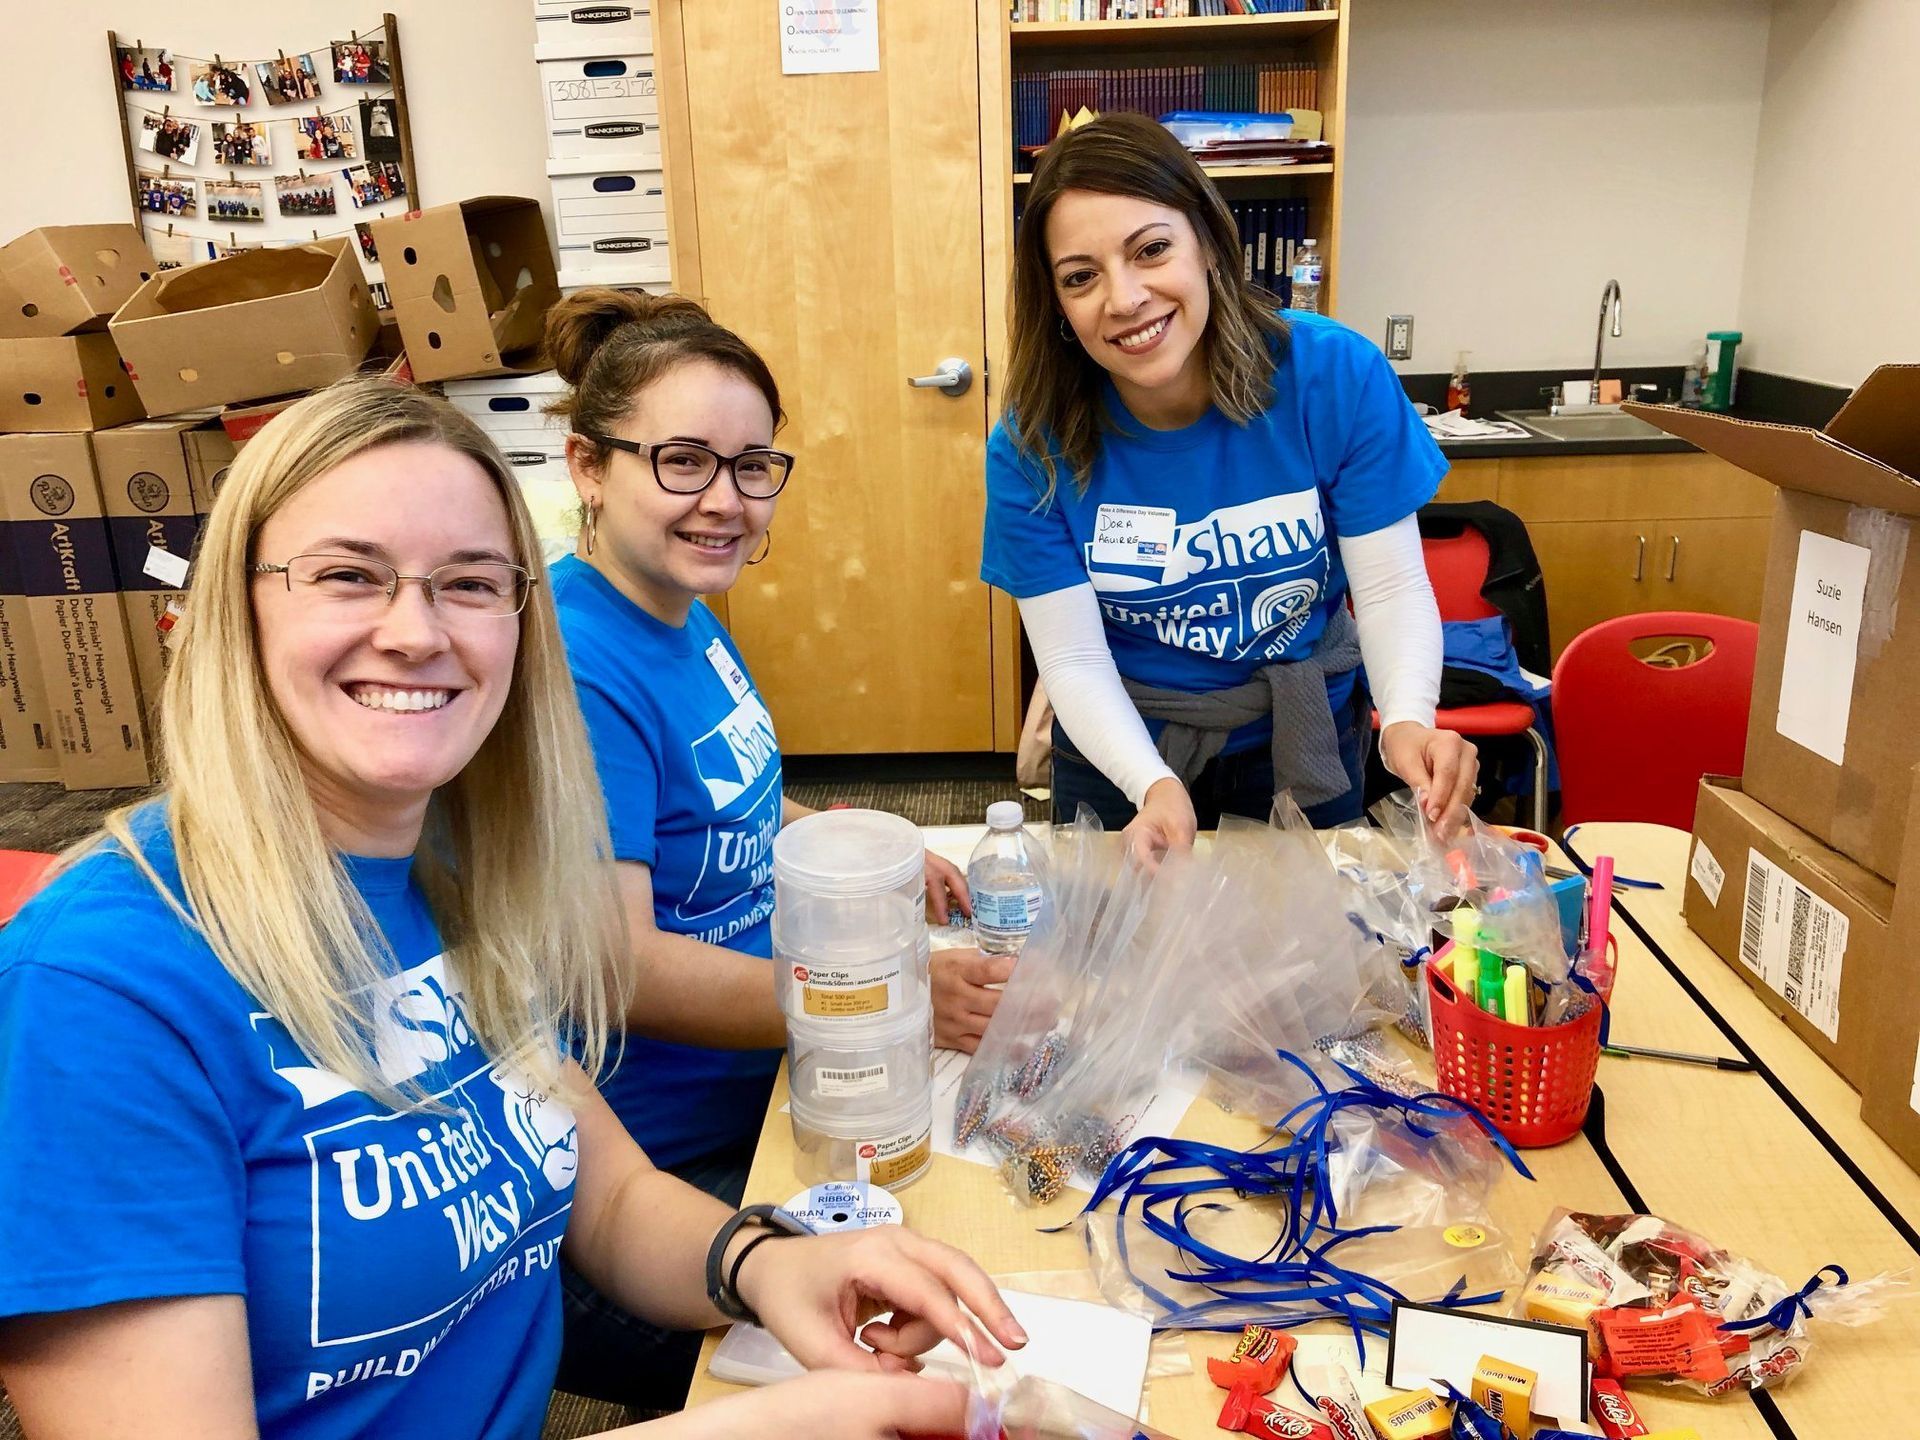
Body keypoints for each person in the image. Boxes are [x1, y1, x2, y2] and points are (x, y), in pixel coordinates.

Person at [0, 376, 1025, 1439]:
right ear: (237, 607)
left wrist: (767, 1263)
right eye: (349, 575)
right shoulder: (102, 990)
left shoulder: (464, 876)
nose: (415, 632)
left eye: (471, 583)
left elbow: (612, 1200)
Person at [542, 291, 1007, 1404]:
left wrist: (849, 842)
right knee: (948, 1345)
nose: (727, 502)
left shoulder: (673, 605)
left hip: (776, 1074)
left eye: (753, 467)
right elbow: (619, 967)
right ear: (588, 467)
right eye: (684, 461)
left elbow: (723, 806)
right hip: (668, 1172)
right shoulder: (575, 662)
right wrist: (887, 992)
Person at [983, 114, 1478, 861]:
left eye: (1151, 250)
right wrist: (1150, 784)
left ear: (1210, 244)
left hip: (1300, 731)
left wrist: (1408, 718)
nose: (1123, 299)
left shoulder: (1332, 376)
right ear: (1055, 303)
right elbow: (1076, 663)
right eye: (1080, 277)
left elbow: (1389, 590)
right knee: (1119, 966)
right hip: (1123, 741)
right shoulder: (1033, 443)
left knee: (1309, 964)